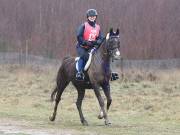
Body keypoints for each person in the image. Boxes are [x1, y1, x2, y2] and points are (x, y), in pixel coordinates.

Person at [75, 9, 104, 81]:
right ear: (88, 17)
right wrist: (85, 42)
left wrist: (97, 42)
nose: (92, 17)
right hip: (82, 47)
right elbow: (79, 36)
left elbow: (101, 38)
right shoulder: (83, 26)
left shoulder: (98, 27)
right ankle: (79, 73)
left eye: (93, 16)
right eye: (90, 16)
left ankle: (107, 73)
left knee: (101, 58)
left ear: (95, 17)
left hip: (92, 47)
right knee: (84, 57)